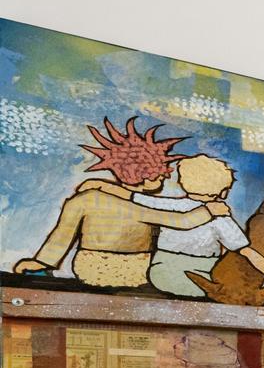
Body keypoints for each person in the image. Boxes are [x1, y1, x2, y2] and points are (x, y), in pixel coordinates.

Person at [10, 118, 231, 288]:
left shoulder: (86, 199)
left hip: (88, 268)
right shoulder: (144, 206)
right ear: (145, 175)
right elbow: (182, 221)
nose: (165, 177)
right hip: (135, 271)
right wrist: (210, 210)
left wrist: (43, 262)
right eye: (161, 173)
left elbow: (62, 235)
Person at [110, 156, 264, 298]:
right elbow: (245, 250)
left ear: (183, 183)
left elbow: (136, 197)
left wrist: (102, 186)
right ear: (223, 192)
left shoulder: (170, 205)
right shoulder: (220, 216)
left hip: (160, 274)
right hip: (200, 279)